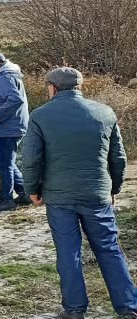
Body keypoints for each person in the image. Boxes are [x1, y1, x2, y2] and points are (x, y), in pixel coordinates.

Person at [20, 67, 137, 318]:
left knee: (68, 252)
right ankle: (128, 306)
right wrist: (114, 188)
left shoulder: (40, 115)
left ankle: (74, 309)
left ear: (52, 87)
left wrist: (32, 189)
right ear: (79, 86)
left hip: (59, 196)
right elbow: (118, 157)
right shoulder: (104, 112)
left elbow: (30, 159)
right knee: (109, 248)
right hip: (97, 193)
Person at [0, 52, 31, 213]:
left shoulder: (4, 77)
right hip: (10, 126)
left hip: (7, 127)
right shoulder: (7, 75)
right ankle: (24, 193)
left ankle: (5, 200)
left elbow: (15, 99)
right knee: (8, 162)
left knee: (5, 164)